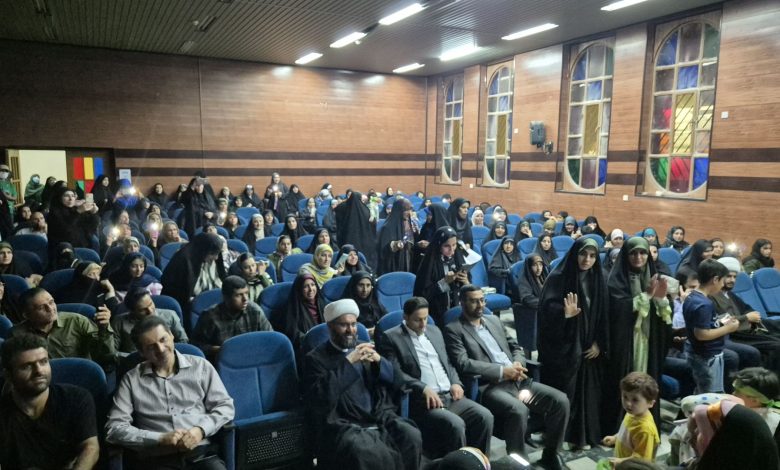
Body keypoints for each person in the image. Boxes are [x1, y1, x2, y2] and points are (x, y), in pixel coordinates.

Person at [444, 285, 569, 470]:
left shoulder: (493, 320)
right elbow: (464, 363)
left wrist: (518, 363)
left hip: (518, 380)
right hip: (491, 386)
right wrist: (502, 371)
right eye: (473, 301)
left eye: (482, 300)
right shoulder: (454, 329)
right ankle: (520, 464)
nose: (480, 305)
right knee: (518, 410)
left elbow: (516, 347)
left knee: (560, 401)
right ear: (462, 303)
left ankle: (551, 454)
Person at [303, 298, 422, 470]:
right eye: (343, 325)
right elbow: (320, 398)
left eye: (353, 324)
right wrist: (349, 362)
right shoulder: (315, 359)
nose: (350, 330)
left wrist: (379, 361)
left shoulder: (365, 348)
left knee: (411, 436)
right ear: (330, 327)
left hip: (378, 415)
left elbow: (398, 380)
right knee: (367, 452)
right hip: (345, 423)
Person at [106, 316, 235, 468]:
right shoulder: (132, 379)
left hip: (200, 453)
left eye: (163, 340)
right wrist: (159, 438)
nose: (160, 349)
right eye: (151, 347)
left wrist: (200, 430)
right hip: (157, 458)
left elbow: (225, 407)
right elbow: (114, 428)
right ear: (141, 352)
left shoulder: (201, 367)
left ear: (172, 336)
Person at [378, 297, 493, 458]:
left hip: (451, 395)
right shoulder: (391, 338)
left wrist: (455, 382)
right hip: (424, 401)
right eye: (417, 320)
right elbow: (395, 373)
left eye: (425, 318)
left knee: (485, 416)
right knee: (456, 425)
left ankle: (480, 463)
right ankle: (458, 466)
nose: (423, 324)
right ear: (405, 317)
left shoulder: (434, 331)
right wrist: (423, 388)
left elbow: (448, 363)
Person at [537, 237, 608, 448]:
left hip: (589, 347)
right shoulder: (558, 277)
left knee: (588, 393)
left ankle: (582, 434)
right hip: (565, 347)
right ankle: (557, 436)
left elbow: (604, 314)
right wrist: (564, 314)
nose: (587, 260)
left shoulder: (599, 277)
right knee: (565, 392)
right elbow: (545, 312)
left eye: (592, 256)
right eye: (583, 254)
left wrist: (598, 342)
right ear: (574, 254)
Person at [0, 334, 100, 469]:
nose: (39, 371)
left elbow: (90, 448)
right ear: (8, 375)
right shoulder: (3, 412)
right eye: (27, 366)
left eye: (43, 362)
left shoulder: (76, 398)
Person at [604, 237, 672, 434]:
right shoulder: (615, 279)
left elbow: (663, 316)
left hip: (648, 340)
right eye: (633, 253)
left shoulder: (654, 277)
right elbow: (617, 311)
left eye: (643, 253)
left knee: (647, 378)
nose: (638, 257)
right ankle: (620, 427)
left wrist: (661, 299)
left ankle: (645, 423)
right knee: (625, 381)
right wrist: (646, 296)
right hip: (626, 341)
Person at [11, 287, 116, 368]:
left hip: (77, 376)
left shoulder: (77, 321)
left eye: (51, 302)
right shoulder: (16, 334)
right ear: (26, 315)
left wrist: (104, 329)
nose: (50, 308)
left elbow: (106, 356)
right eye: (41, 307)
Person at [711, 257, 780, 372]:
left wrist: (751, 316)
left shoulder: (729, 294)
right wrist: (747, 318)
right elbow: (723, 321)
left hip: (747, 328)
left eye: (734, 277)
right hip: (735, 335)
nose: (732, 280)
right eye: (728, 276)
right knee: (776, 345)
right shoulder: (712, 296)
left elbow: (747, 308)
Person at [683, 259, 741, 393]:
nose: (722, 285)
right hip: (706, 356)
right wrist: (728, 328)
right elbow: (701, 334)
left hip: (697, 352)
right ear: (715, 279)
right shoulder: (704, 304)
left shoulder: (691, 296)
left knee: (702, 389)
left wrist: (719, 322)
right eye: (722, 281)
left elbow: (699, 323)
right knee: (708, 394)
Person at [192, 275, 272, 360]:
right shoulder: (210, 316)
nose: (245, 299)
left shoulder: (255, 311)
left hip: (252, 357)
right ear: (226, 297)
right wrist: (221, 349)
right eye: (239, 295)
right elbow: (196, 346)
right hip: (223, 360)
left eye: (246, 293)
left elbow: (270, 338)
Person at [161, 233, 226, 320]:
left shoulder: (214, 258)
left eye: (217, 253)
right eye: (212, 254)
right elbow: (178, 294)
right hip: (190, 308)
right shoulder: (183, 260)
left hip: (216, 302)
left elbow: (222, 279)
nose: (216, 258)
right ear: (202, 251)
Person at [413, 226, 469, 326]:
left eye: (454, 245)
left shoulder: (458, 259)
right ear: (438, 245)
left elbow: (467, 289)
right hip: (436, 316)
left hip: (459, 313)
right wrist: (444, 282)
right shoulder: (429, 264)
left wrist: (465, 282)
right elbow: (422, 296)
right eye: (446, 246)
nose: (452, 250)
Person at [601, 372, 660, 466]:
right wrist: (615, 438)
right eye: (625, 397)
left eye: (635, 400)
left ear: (650, 403)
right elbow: (627, 432)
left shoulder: (645, 430)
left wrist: (621, 462)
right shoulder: (633, 413)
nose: (628, 403)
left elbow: (641, 459)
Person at [112, 287, 188, 355]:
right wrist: (133, 357)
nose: (150, 311)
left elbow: (183, 342)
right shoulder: (119, 322)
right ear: (132, 311)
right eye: (143, 310)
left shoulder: (170, 316)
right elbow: (112, 352)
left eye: (150, 304)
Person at [46, 186, 100, 266]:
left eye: (72, 196)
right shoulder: (54, 213)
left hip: (83, 244)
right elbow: (66, 231)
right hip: (66, 248)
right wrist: (78, 212)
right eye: (66, 196)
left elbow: (92, 226)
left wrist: (93, 213)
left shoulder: (75, 209)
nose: (71, 199)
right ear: (59, 198)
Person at [275, 273, 324, 350]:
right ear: (299, 290)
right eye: (306, 286)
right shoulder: (292, 309)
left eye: (313, 285)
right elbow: (293, 333)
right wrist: (311, 340)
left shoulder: (321, 303)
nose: (311, 289)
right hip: (305, 347)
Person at [513, 254, 547, 356]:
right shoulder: (523, 280)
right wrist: (547, 303)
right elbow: (527, 299)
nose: (539, 268)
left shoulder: (544, 277)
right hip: (530, 313)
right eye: (535, 265)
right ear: (529, 266)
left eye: (540, 265)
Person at [334, 191, 378, 270]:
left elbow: (337, 219)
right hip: (364, 242)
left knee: (346, 260)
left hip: (347, 241)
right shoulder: (365, 210)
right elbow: (373, 225)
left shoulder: (343, 207)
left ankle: (341, 271)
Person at [376, 197, 418, 274]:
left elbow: (412, 241)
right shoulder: (388, 227)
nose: (409, 213)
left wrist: (416, 233)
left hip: (408, 259)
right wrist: (394, 245)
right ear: (398, 210)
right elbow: (382, 250)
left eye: (410, 209)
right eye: (406, 210)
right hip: (394, 264)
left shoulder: (411, 224)